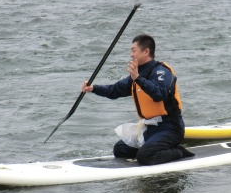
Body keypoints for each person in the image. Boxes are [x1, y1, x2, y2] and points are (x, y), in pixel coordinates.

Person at [81, 34, 194, 165]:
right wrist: (93, 88)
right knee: (120, 150)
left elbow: (159, 94)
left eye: (133, 50)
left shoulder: (161, 71)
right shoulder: (136, 75)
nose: (131, 54)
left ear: (146, 51)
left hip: (170, 129)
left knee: (145, 156)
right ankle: (152, 149)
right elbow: (114, 90)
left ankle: (178, 151)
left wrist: (138, 79)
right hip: (150, 129)